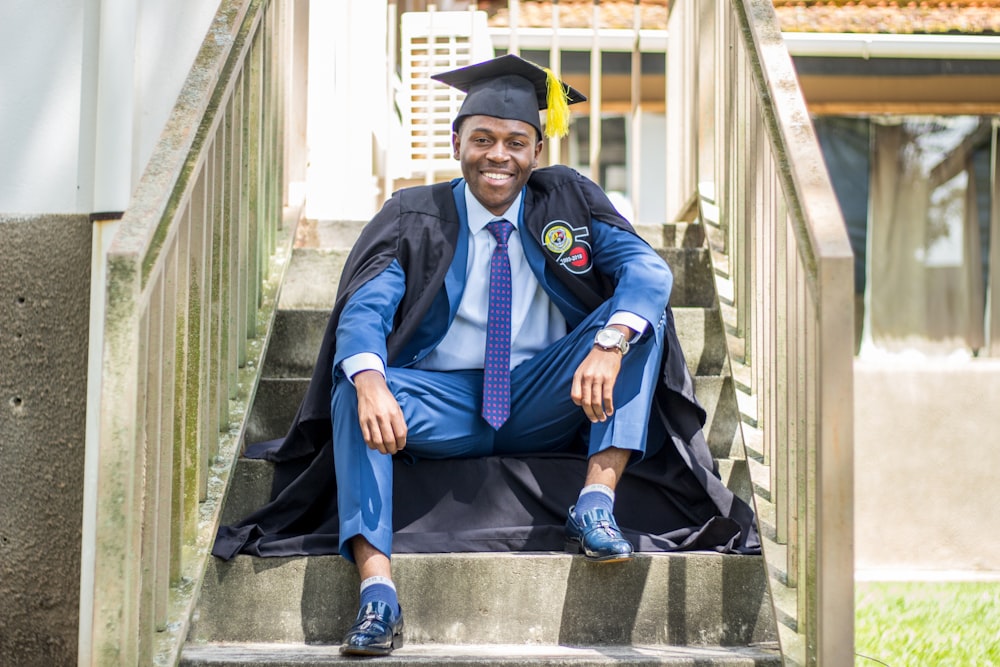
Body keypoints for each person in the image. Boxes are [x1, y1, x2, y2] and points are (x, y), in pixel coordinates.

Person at [212, 54, 759, 658]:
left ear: (536, 149)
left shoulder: (568, 201)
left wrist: (609, 343)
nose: (498, 154)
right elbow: (365, 311)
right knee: (357, 387)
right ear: (457, 143)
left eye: (515, 142)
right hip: (445, 401)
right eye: (483, 139)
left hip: (545, 394)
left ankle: (595, 503)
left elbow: (646, 271)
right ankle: (376, 590)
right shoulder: (414, 216)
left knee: (638, 320)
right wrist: (371, 383)